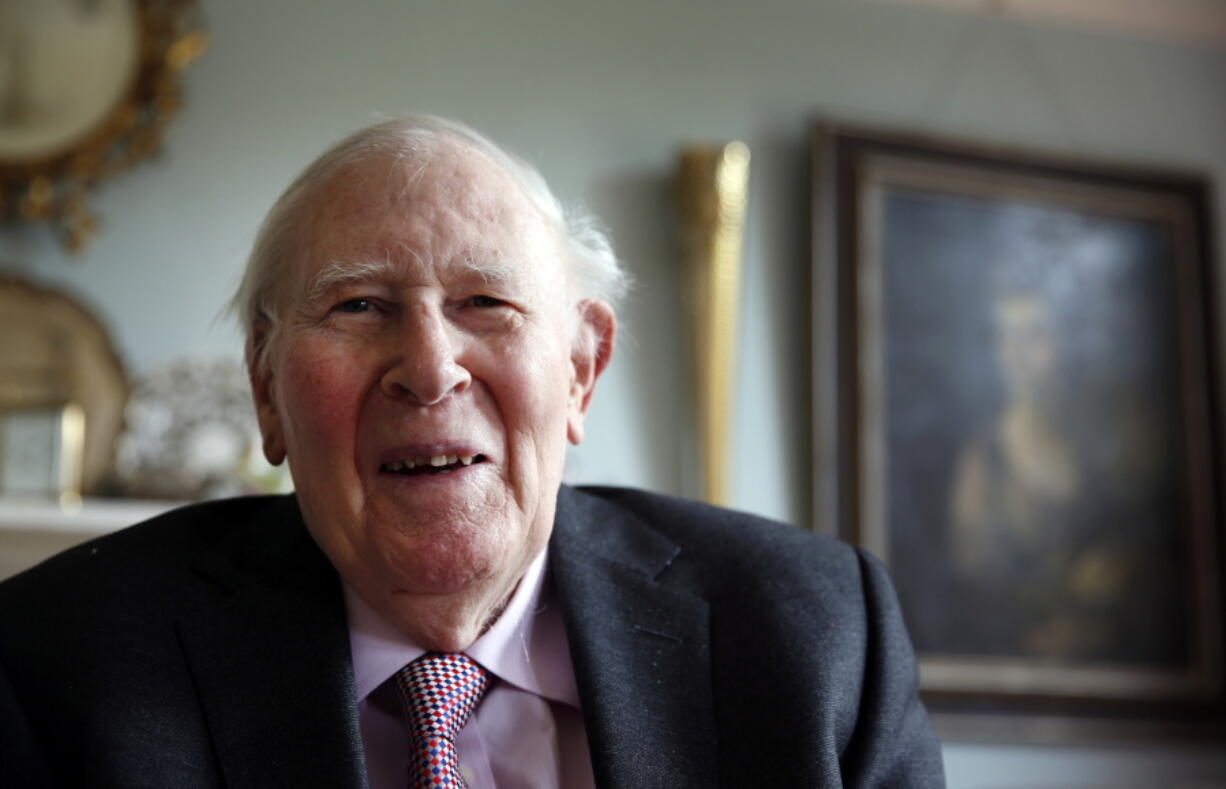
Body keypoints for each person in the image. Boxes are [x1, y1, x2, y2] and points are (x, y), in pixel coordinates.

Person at [0, 116, 944, 787]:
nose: (429, 368)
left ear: (581, 370)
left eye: (485, 303)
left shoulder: (817, 640)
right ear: (265, 388)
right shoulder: (60, 662)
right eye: (358, 306)